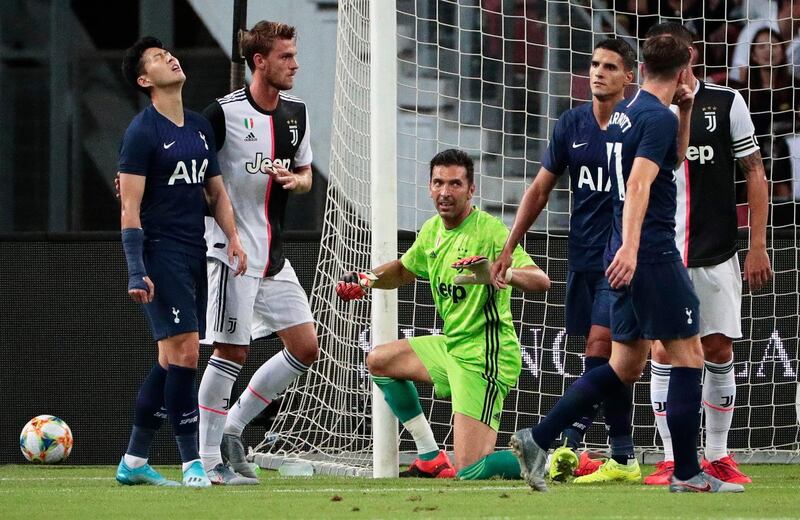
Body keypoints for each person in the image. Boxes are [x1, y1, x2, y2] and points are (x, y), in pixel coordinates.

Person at [510, 34, 745, 493]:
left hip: (617, 250)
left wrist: (688, 108)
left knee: (624, 365)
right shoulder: (653, 117)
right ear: (682, 73)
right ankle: (687, 472)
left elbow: (670, 160)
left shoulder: (628, 114)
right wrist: (634, 249)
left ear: (639, 72)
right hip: (650, 253)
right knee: (688, 355)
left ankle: (536, 438)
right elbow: (638, 185)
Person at [336, 149, 550, 480]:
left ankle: (550, 459)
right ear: (429, 186)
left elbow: (541, 281)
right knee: (380, 360)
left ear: (471, 189)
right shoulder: (432, 230)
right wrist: (367, 280)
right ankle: (430, 456)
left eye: (454, 184)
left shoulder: (489, 232)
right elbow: (403, 271)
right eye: (438, 183)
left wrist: (503, 273)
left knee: (469, 471)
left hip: (484, 356)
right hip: (452, 347)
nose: (445, 192)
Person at [492, 38, 640, 484]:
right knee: (606, 359)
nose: (598, 72)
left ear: (628, 77)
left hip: (622, 256)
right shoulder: (571, 124)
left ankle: (557, 440)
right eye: (595, 64)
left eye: (610, 66)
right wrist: (509, 246)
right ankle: (622, 455)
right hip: (582, 255)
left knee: (602, 348)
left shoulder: (637, 126)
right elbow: (539, 189)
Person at [642, 22, 772, 486]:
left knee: (717, 349)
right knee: (662, 349)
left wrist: (757, 244)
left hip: (717, 250)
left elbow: (754, 172)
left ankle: (717, 453)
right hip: (663, 251)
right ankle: (670, 458)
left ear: (692, 55)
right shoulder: (644, 109)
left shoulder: (727, 102)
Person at [115, 37, 247, 488]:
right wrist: (137, 268)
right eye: (157, 58)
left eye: (170, 52)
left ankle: (134, 461)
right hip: (160, 251)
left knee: (172, 359)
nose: (170, 57)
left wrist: (233, 239)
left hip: (194, 250)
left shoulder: (197, 126)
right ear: (144, 79)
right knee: (188, 352)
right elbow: (129, 208)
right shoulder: (141, 131)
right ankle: (193, 462)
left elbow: (215, 191)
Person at [195, 21, 319, 484]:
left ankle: (233, 427)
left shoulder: (297, 114)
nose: (295, 64)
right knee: (230, 351)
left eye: (294, 54)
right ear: (260, 61)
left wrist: (297, 181)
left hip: (274, 255)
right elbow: (190, 167)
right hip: (232, 251)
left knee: (305, 346)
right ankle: (209, 463)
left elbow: (305, 173)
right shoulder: (220, 114)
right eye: (286, 56)